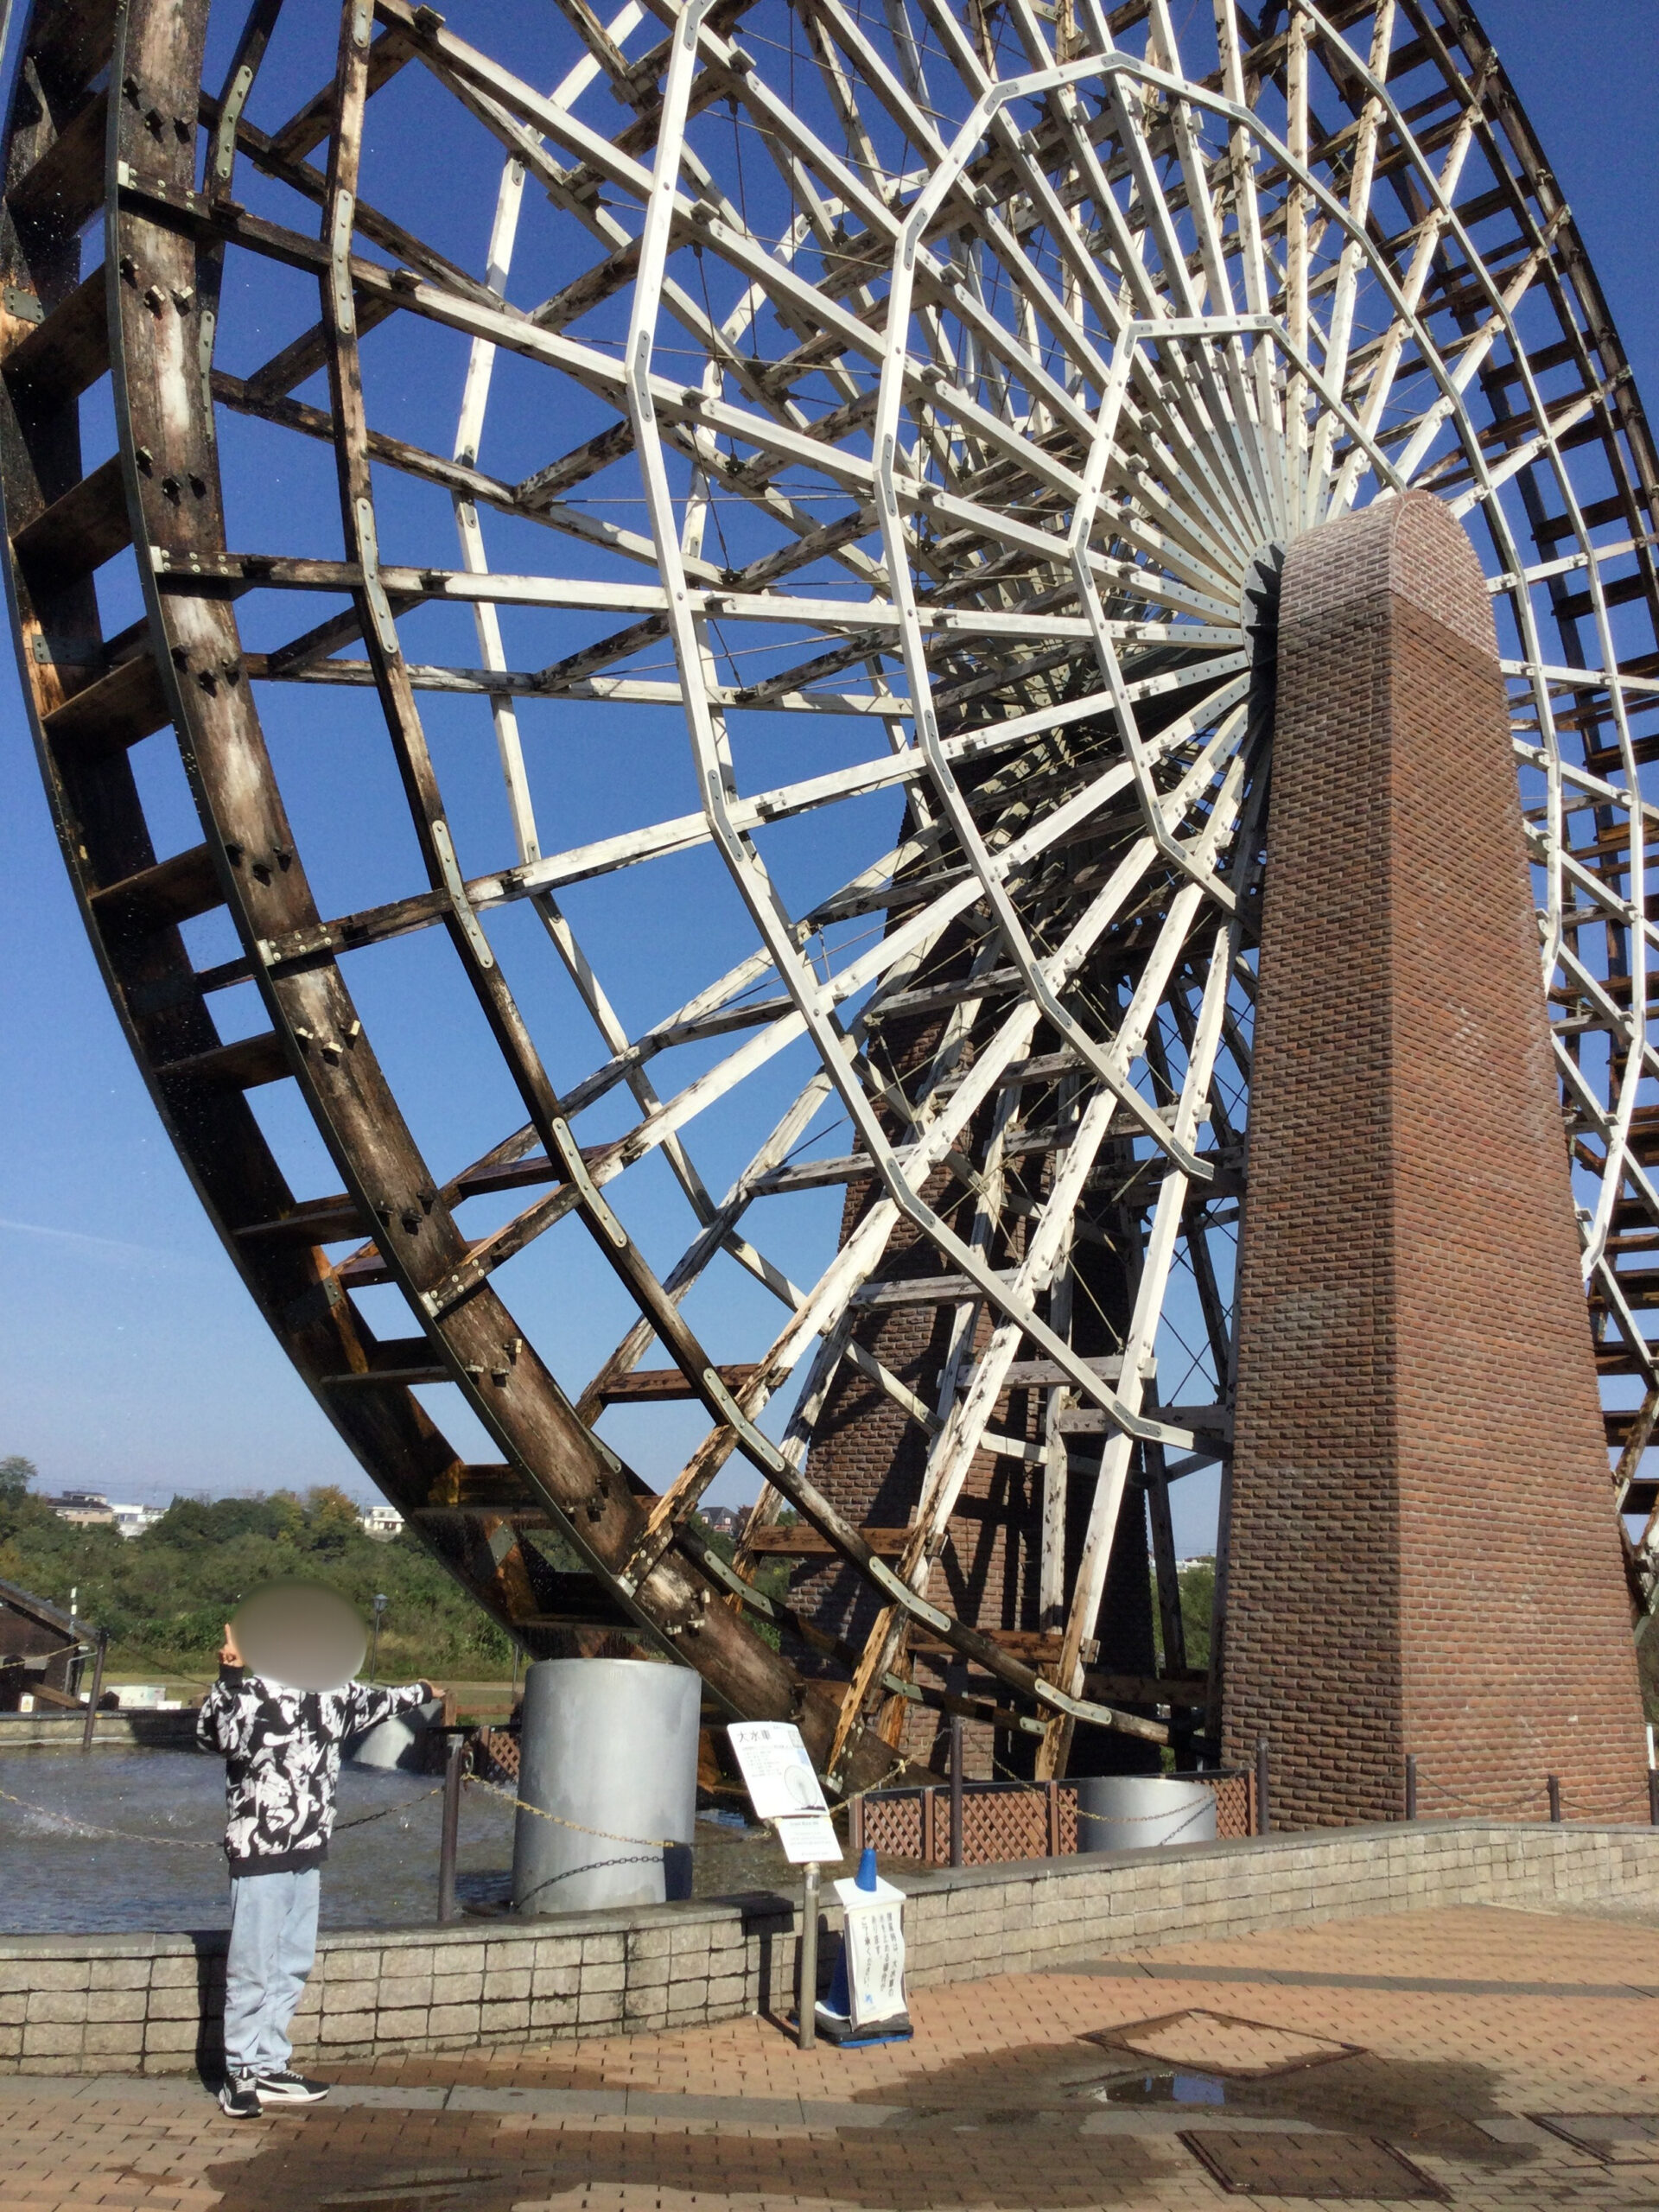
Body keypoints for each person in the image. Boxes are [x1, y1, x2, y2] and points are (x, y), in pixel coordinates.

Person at [196, 1618, 444, 2119]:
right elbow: (213, 1735)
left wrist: (421, 1691)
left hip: (309, 1850)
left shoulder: (333, 1694)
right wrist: (230, 1676)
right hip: (260, 1851)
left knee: (292, 1961)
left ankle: (270, 2064)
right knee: (252, 1965)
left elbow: (379, 1701)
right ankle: (239, 2072)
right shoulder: (253, 1694)